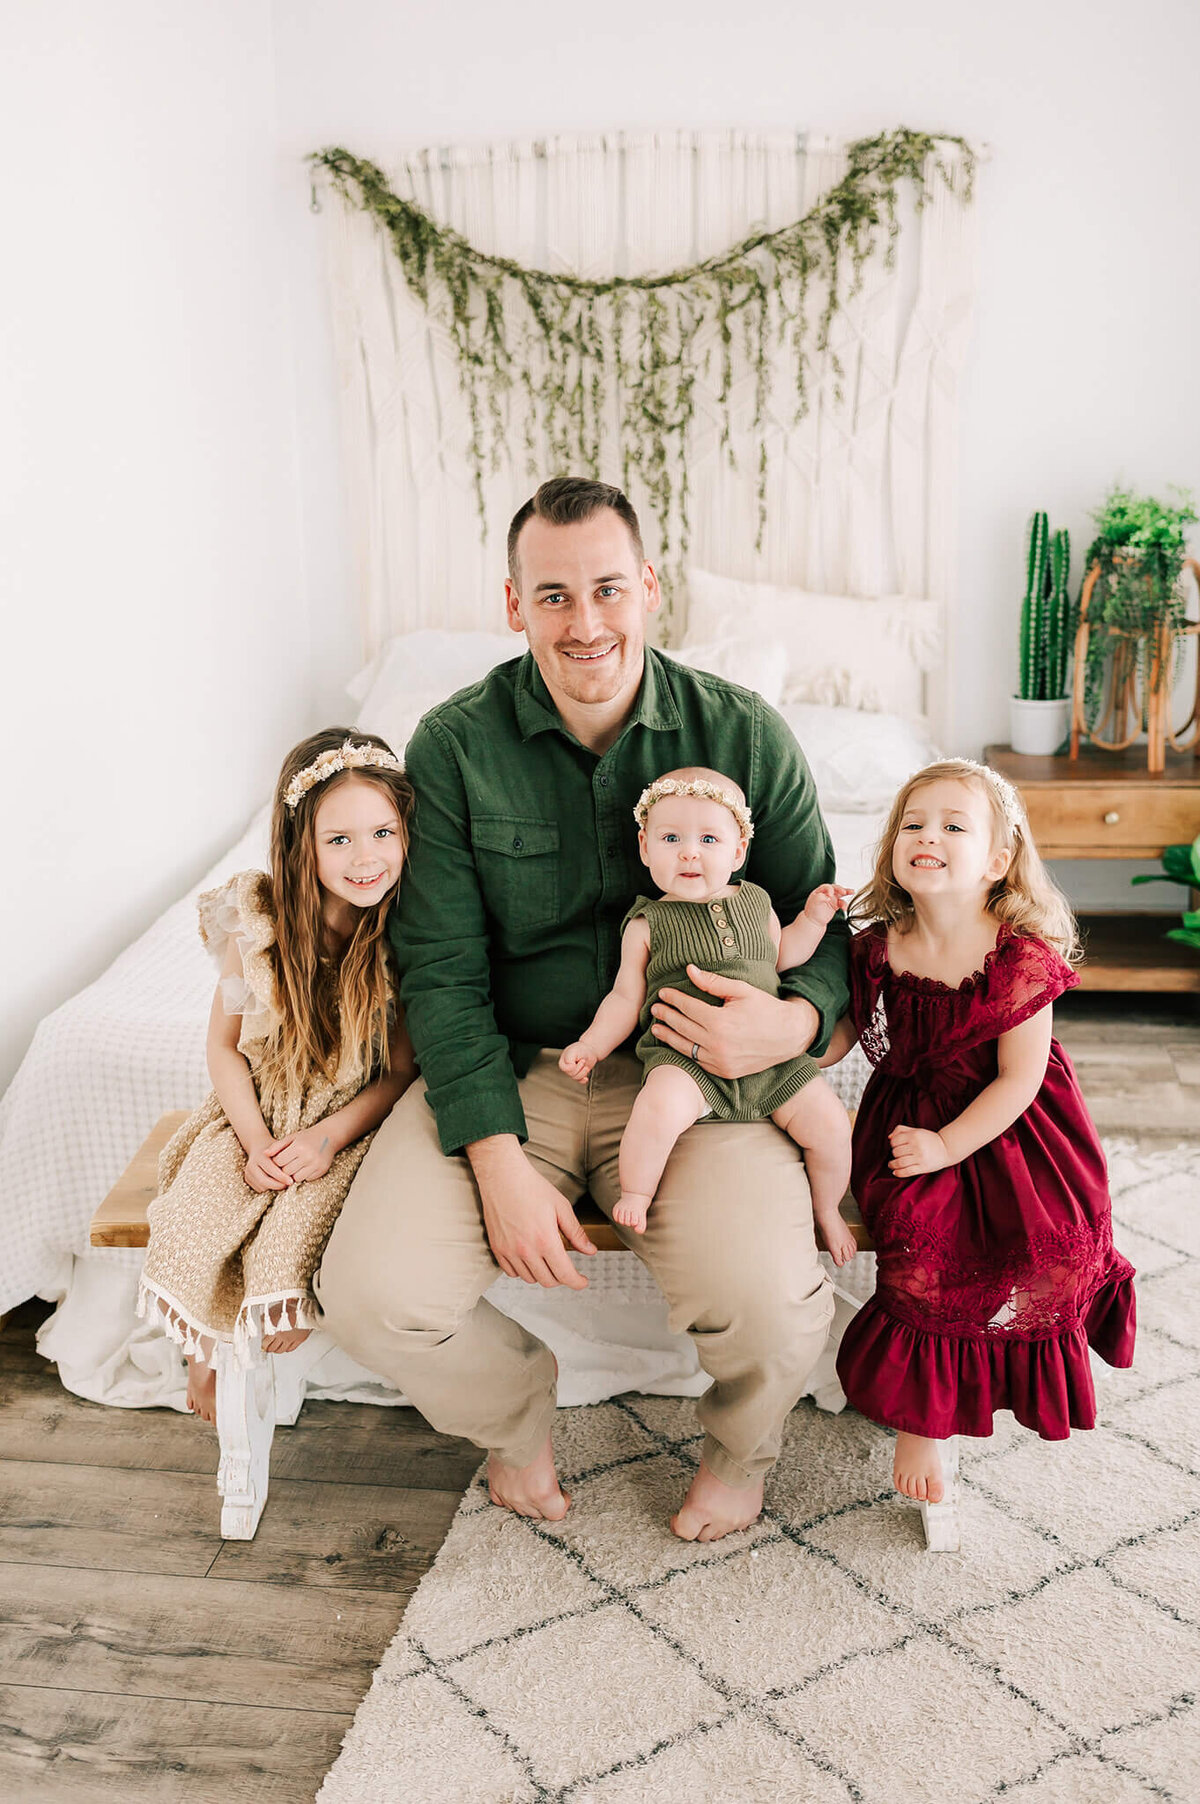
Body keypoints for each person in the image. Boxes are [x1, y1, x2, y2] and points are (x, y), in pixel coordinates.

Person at [315, 476, 849, 1542]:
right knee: (372, 1294)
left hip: (709, 1082)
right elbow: (441, 967)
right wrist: (497, 1157)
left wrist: (793, 1026)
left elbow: (829, 930)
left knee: (771, 1298)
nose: (586, 622)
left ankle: (741, 1450)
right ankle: (517, 1417)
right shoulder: (454, 745)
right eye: (553, 595)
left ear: (649, 588)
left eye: (608, 588)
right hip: (520, 1070)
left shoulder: (744, 733)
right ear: (514, 605)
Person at [833, 758, 1136, 1505]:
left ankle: (994, 1374)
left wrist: (947, 1146)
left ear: (998, 861)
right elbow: (845, 1027)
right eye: (913, 823)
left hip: (1013, 1129)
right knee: (916, 1243)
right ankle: (922, 1422)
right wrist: (793, 1051)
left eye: (953, 825)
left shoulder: (1018, 957)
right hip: (908, 1118)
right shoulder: (879, 946)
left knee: (1042, 1240)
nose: (927, 835)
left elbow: (1020, 1080)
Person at [140, 727, 417, 1424]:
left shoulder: (411, 931)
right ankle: (201, 1351)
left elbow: (403, 1074)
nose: (366, 859)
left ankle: (270, 1322)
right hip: (258, 1106)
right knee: (194, 1211)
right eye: (340, 840)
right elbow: (224, 1047)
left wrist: (326, 1137)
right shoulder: (257, 921)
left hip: (351, 1119)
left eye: (383, 832)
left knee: (299, 1221)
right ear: (303, 844)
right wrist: (255, 1138)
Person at [559, 767, 856, 1260]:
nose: (689, 851)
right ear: (645, 849)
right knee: (656, 1109)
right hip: (684, 1061)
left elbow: (782, 958)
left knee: (828, 1124)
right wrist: (590, 1045)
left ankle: (826, 1209)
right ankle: (636, 1191)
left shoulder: (756, 901)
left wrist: (813, 919)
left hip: (771, 1058)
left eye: (709, 838)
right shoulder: (647, 921)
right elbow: (624, 998)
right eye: (670, 837)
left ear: (738, 851)